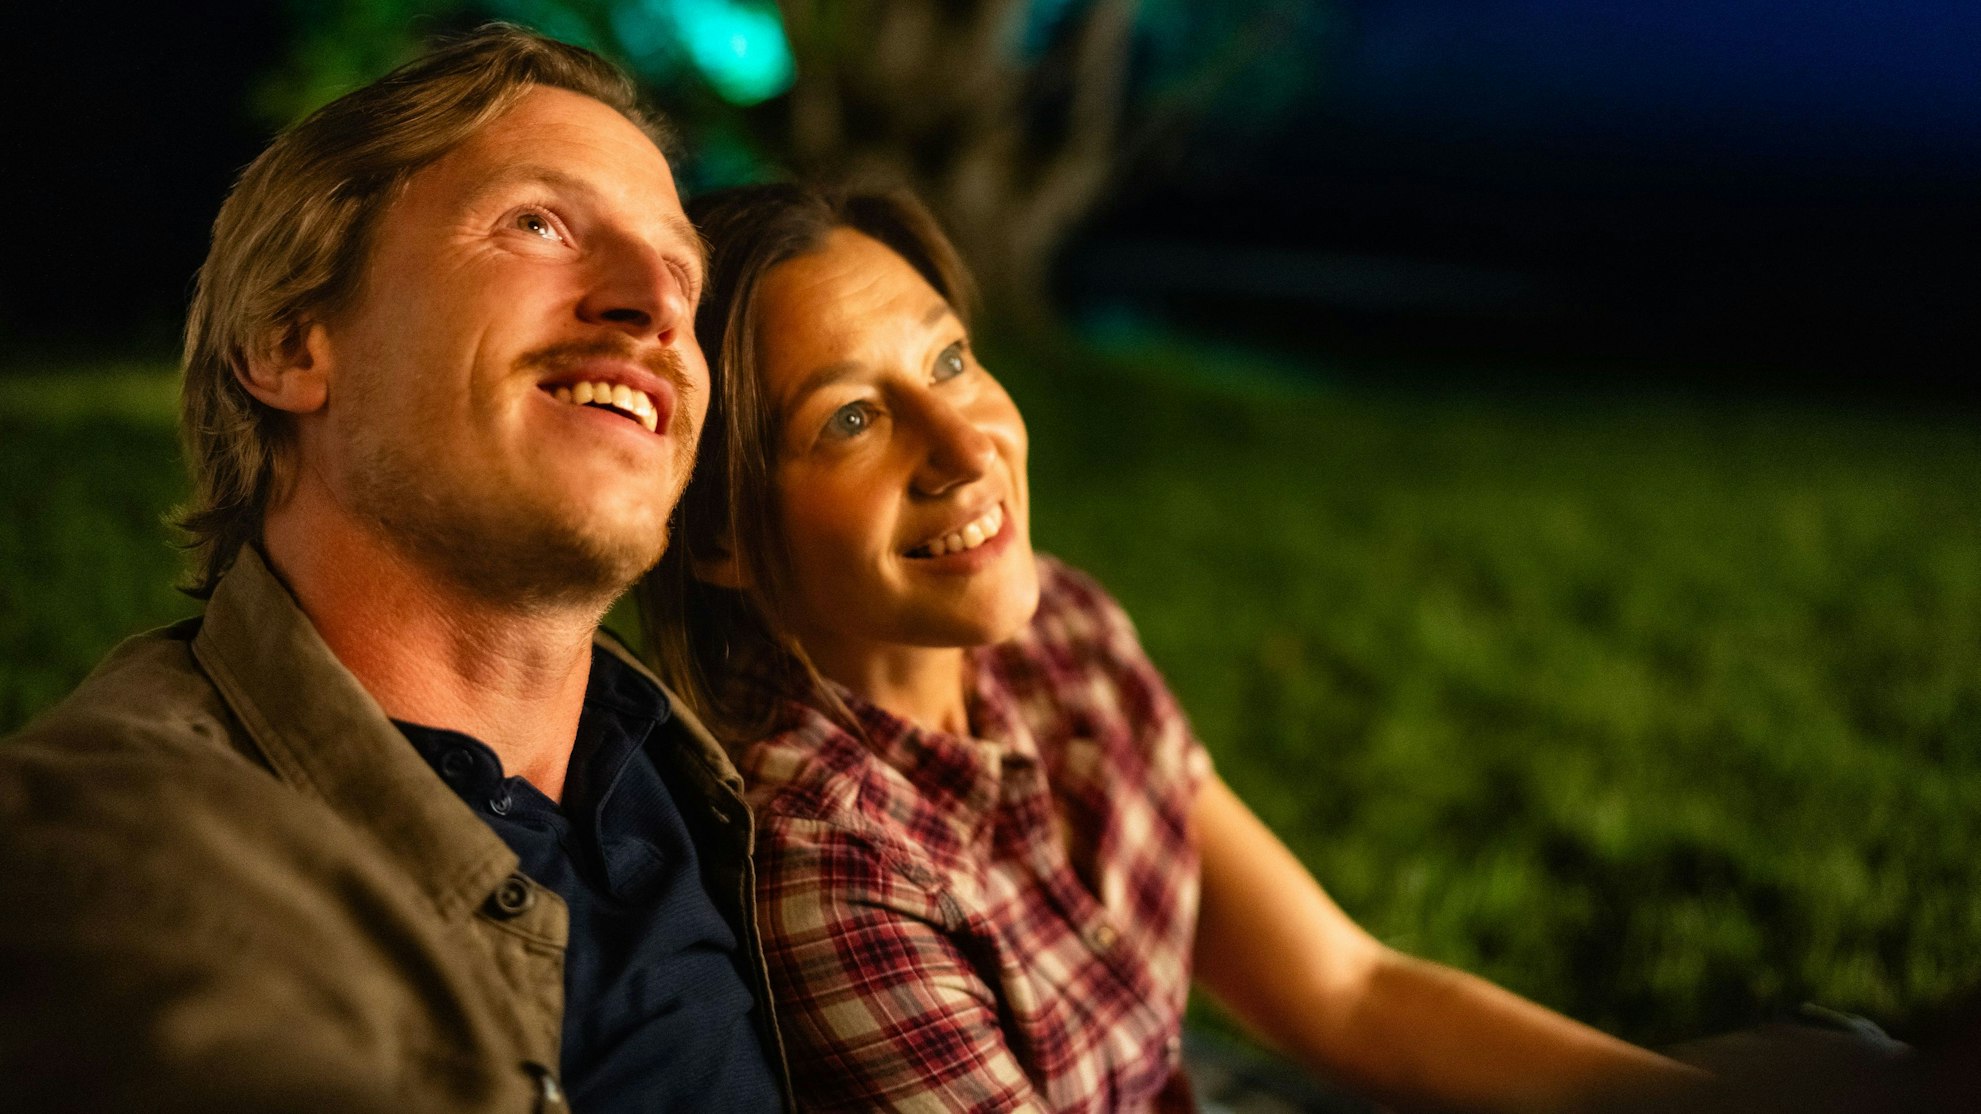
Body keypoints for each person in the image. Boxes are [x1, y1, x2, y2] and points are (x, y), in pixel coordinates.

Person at [637, 182, 1699, 1113]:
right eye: (851, 420)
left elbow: (1346, 988)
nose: (967, 447)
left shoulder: (1063, 632)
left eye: (950, 359)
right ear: (722, 534)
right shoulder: (830, 867)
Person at [0, 27, 789, 1114]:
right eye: (538, 223)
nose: (655, 302)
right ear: (289, 344)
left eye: (681, 272)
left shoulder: (709, 773)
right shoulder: (118, 852)